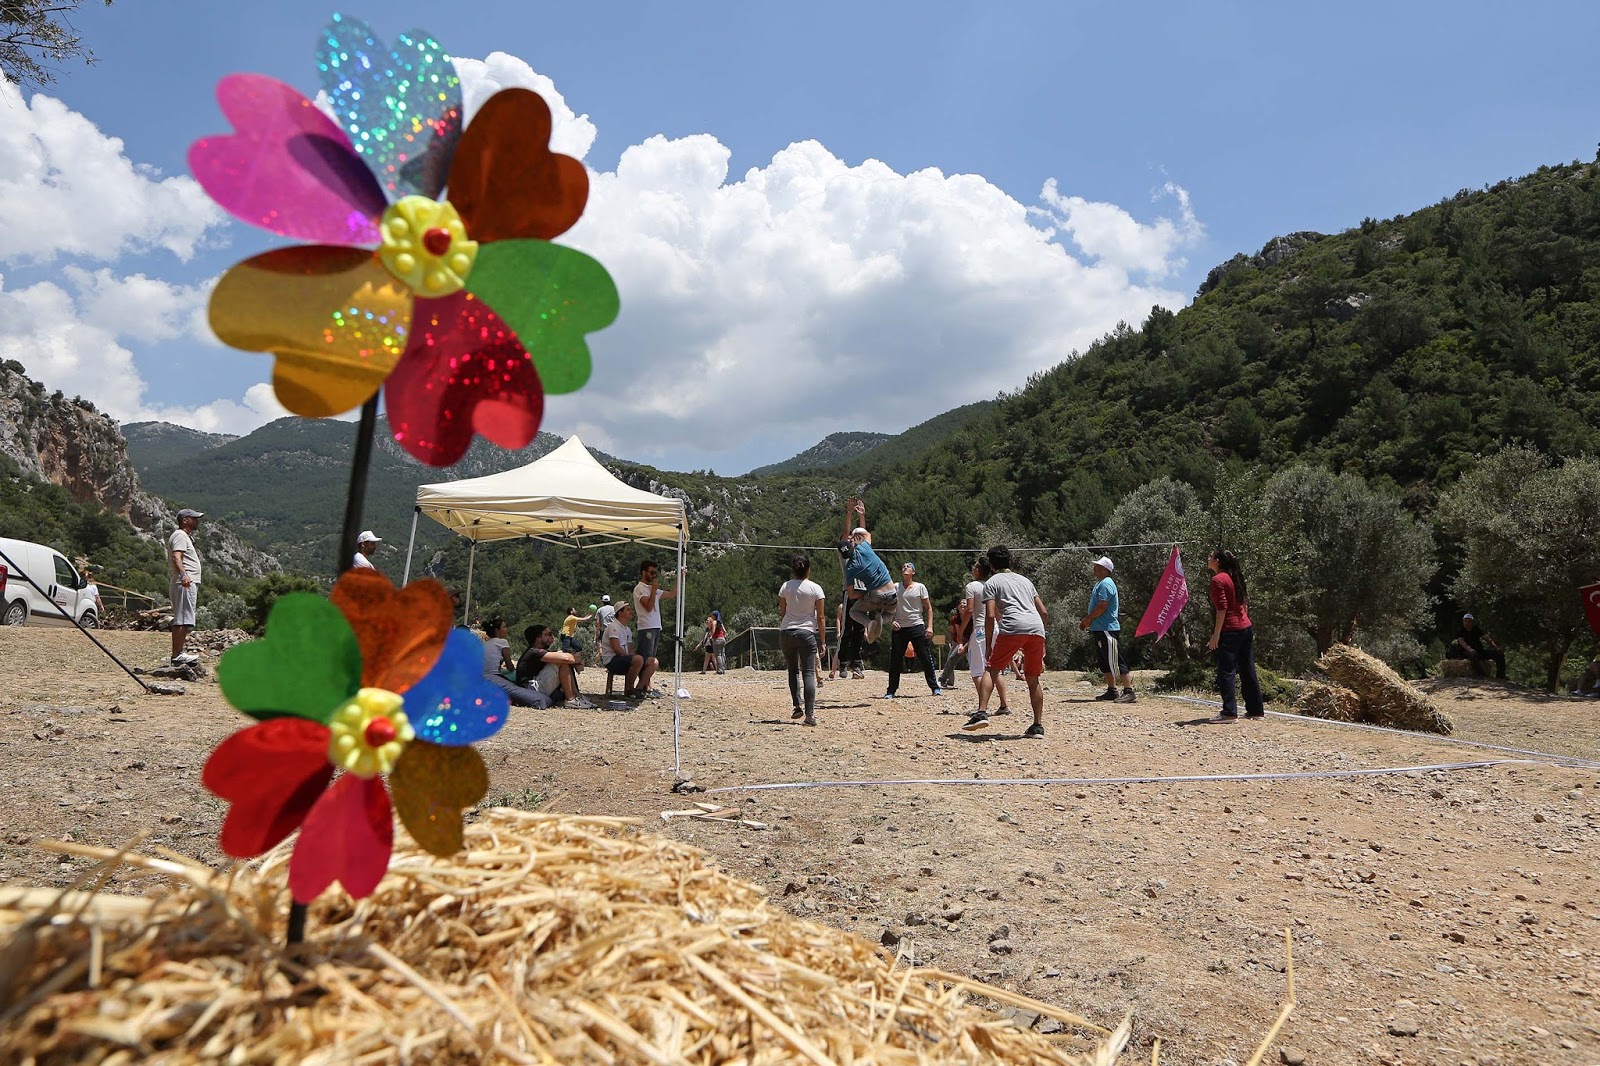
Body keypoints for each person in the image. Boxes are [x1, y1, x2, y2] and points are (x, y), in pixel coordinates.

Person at [964, 546, 1048, 736]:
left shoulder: (992, 582)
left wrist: (988, 645)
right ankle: (1037, 726)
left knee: (991, 669)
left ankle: (981, 713)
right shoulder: (1026, 581)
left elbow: (990, 615)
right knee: (1033, 678)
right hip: (1036, 627)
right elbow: (1043, 612)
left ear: (992, 565)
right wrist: (1041, 639)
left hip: (1012, 626)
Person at [1205, 548, 1265, 723]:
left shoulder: (1218, 580)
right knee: (1247, 669)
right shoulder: (1235, 576)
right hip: (1245, 627)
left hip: (1230, 630)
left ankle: (1229, 712)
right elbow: (1244, 603)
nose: (1208, 558)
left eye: (1210, 556)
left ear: (1217, 561)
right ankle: (1255, 710)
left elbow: (1222, 609)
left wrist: (1216, 635)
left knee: (1226, 671)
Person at [778, 555, 828, 726]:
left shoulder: (785, 587)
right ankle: (810, 715)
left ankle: (796, 705)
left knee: (792, 670)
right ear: (808, 569)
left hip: (787, 631)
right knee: (808, 673)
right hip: (806, 632)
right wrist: (822, 640)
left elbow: (783, 612)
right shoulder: (816, 589)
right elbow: (821, 617)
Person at [840, 496, 896, 643]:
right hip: (889, 592)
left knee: (854, 613)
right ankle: (880, 621)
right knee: (890, 614)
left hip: (869, 592)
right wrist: (852, 514)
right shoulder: (864, 547)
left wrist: (860, 516)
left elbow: (852, 594)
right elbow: (861, 534)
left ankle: (870, 624)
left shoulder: (850, 567)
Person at [1080, 555, 1134, 703]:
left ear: (1105, 569)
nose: (1094, 568)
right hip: (1100, 628)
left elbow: (1102, 605)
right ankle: (1112, 690)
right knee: (1105, 660)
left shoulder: (1106, 584)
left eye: (1097, 566)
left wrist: (1088, 619)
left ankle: (1129, 691)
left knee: (1116, 659)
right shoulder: (1100, 584)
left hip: (1107, 628)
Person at [883, 562, 940, 698]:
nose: (905, 568)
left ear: (913, 572)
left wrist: (930, 626)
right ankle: (891, 690)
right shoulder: (895, 587)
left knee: (925, 657)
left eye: (908, 566)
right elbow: (887, 606)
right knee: (895, 660)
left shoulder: (920, 587)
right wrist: (892, 621)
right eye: (903, 566)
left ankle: (935, 687)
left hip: (916, 625)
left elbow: (928, 608)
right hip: (900, 627)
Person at [962, 557, 1010, 720]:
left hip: (980, 629)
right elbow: (997, 612)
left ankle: (982, 706)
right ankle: (1003, 704)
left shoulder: (971, 586)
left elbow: (969, 610)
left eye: (974, 567)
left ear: (978, 570)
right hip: (995, 627)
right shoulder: (992, 585)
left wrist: (962, 631)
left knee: (977, 670)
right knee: (995, 668)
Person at [518, 624, 596, 709]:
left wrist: (575, 663)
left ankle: (577, 696)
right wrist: (578, 660)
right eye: (548, 634)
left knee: (561, 658)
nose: (552, 637)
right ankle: (571, 700)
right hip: (530, 688)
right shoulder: (534, 652)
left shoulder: (538, 652)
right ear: (538, 639)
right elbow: (567, 658)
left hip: (535, 685)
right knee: (562, 661)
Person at [632, 560, 680, 687]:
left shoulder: (651, 589)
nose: (654, 576)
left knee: (651, 659)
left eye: (655, 573)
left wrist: (680, 577)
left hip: (655, 626)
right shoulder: (639, 589)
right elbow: (648, 607)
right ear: (644, 573)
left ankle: (646, 685)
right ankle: (643, 686)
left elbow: (672, 594)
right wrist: (653, 591)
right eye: (652, 572)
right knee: (647, 659)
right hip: (646, 627)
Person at [482, 617, 548, 707]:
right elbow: (510, 666)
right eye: (504, 627)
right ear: (497, 630)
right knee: (515, 675)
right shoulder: (502, 642)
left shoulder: (486, 643)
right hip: (493, 676)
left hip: (483, 674)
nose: (506, 629)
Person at [167, 508, 203, 665]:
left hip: (185, 582)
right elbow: (177, 556)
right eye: (193, 518)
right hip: (185, 582)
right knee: (183, 619)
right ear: (185, 520)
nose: (196, 521)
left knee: (184, 618)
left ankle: (178, 653)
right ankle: (177, 655)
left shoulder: (183, 536)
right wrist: (184, 575)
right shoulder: (180, 535)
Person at [603, 601, 658, 699]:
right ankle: (629, 689)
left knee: (653, 662)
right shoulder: (613, 627)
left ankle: (639, 689)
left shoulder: (627, 629)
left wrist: (635, 657)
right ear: (620, 613)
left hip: (623, 658)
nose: (631, 611)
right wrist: (633, 658)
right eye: (627, 609)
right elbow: (616, 648)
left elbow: (629, 649)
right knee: (638, 659)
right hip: (612, 660)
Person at [1447, 613, 1506, 679]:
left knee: (1498, 654)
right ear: (1463, 621)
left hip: (1479, 651)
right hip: (1466, 652)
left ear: (1472, 622)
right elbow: (1462, 642)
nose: (1467, 623)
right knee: (1473, 655)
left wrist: (1496, 648)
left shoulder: (1476, 629)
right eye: (1465, 621)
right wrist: (1469, 649)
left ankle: (1500, 675)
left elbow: (1487, 639)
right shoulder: (1460, 630)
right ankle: (1481, 675)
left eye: (1469, 621)